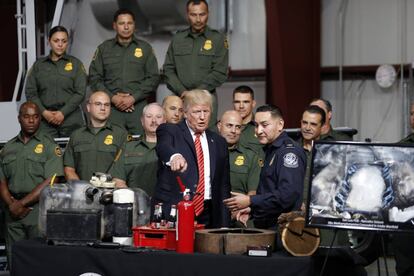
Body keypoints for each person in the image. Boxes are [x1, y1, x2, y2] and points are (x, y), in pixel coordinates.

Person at [153, 89, 230, 228]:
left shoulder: (219, 142)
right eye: (196, 112)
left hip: (209, 213)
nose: (202, 117)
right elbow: (163, 147)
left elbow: (223, 186)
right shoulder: (170, 130)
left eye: (205, 112)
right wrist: (174, 156)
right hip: (176, 210)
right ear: (185, 113)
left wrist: (224, 224)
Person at [0, 102, 64, 264]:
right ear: (19, 119)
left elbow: (53, 179)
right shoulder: (8, 148)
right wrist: (12, 205)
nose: (31, 121)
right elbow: (2, 180)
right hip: (12, 212)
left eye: (35, 117)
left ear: (40, 120)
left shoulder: (50, 146)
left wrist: (21, 203)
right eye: (26, 116)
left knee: (39, 260)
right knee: (14, 258)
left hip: (38, 210)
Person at [224, 105, 306, 229]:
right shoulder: (270, 150)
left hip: (284, 229)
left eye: (264, 125)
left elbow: (287, 195)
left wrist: (251, 200)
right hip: (268, 226)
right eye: (256, 125)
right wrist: (253, 209)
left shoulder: (288, 153)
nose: (259, 131)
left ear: (280, 125)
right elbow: (270, 191)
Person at [89, 9, 160, 134]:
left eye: (130, 23)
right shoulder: (104, 49)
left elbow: (153, 78)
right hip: (112, 108)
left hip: (137, 107)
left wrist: (133, 98)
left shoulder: (145, 48)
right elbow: (95, 78)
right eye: (122, 23)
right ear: (114, 25)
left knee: (140, 146)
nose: (126, 27)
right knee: (111, 146)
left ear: (134, 25)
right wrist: (113, 98)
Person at [163, 0, 228, 129]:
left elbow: (220, 72)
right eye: (193, 15)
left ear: (208, 14)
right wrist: (182, 91)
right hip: (180, 99)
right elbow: (168, 70)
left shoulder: (218, 39)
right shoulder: (178, 39)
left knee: (208, 139)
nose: (198, 19)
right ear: (187, 15)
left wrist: (194, 94)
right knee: (179, 136)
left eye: (202, 14)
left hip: (206, 99)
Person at [25, 26, 87, 138]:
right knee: (45, 154)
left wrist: (62, 112)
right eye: (56, 40)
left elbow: (80, 92)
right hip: (45, 122)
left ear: (68, 42)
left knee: (74, 153)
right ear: (49, 41)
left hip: (71, 120)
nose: (60, 44)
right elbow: (31, 92)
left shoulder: (76, 64)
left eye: (64, 41)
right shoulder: (38, 66)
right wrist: (44, 112)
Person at [63, 91, 128, 182]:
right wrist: (81, 188)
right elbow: (69, 169)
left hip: (111, 192)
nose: (103, 108)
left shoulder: (121, 134)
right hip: (82, 192)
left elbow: (124, 169)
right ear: (88, 107)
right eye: (98, 104)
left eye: (107, 105)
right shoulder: (76, 135)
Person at [112, 103, 166, 197]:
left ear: (165, 121)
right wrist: (134, 200)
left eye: (158, 116)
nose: (154, 120)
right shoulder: (128, 147)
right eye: (149, 116)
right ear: (142, 121)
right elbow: (118, 180)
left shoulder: (174, 147)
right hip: (135, 204)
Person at [217, 110, 260, 196]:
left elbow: (253, 192)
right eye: (229, 125)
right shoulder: (207, 152)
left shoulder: (251, 157)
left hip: (239, 207)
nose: (233, 131)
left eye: (238, 127)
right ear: (219, 126)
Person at [393, 102, 414, 276]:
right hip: (406, 221)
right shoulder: (401, 146)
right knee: (405, 268)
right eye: (412, 113)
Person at [232, 85, 264, 157]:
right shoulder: (223, 128)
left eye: (246, 102)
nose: (241, 106)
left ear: (253, 104)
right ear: (233, 103)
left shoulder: (262, 128)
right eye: (237, 102)